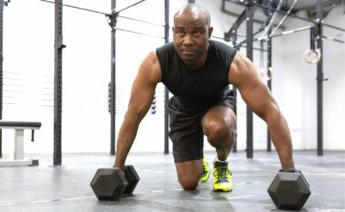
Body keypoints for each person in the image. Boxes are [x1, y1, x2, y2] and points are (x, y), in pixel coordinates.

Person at [113, 3, 295, 192]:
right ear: (174, 32)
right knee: (189, 183)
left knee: (219, 128)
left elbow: (271, 111)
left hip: (217, 106)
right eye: (181, 33)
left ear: (209, 32)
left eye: (197, 33)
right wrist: (118, 167)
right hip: (182, 111)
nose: (188, 41)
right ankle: (199, 165)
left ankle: (221, 163)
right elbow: (133, 115)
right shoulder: (156, 62)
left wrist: (289, 171)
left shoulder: (232, 62)